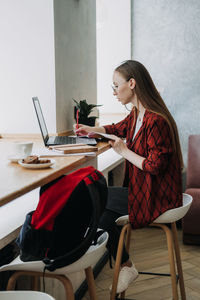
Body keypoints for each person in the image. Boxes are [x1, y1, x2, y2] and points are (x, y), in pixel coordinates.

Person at [75, 60, 183, 293]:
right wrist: (91, 130)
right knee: (99, 206)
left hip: (158, 196)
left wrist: (124, 151)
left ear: (132, 83)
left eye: (116, 86)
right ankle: (126, 264)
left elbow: (154, 166)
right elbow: (118, 128)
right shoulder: (137, 114)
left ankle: (124, 264)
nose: (113, 92)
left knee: (94, 197)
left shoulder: (156, 120)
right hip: (145, 190)